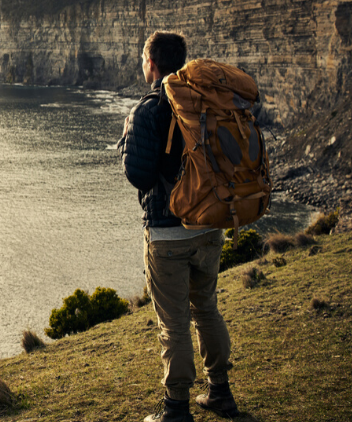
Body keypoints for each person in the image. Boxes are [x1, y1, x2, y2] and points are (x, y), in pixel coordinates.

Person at [117, 31, 239, 422]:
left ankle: (176, 409)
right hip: (210, 225)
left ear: (151, 63)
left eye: (142, 57)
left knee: (173, 323)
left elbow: (139, 176)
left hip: (168, 233)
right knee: (205, 308)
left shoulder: (148, 109)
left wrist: (127, 142)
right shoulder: (203, 102)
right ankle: (220, 392)